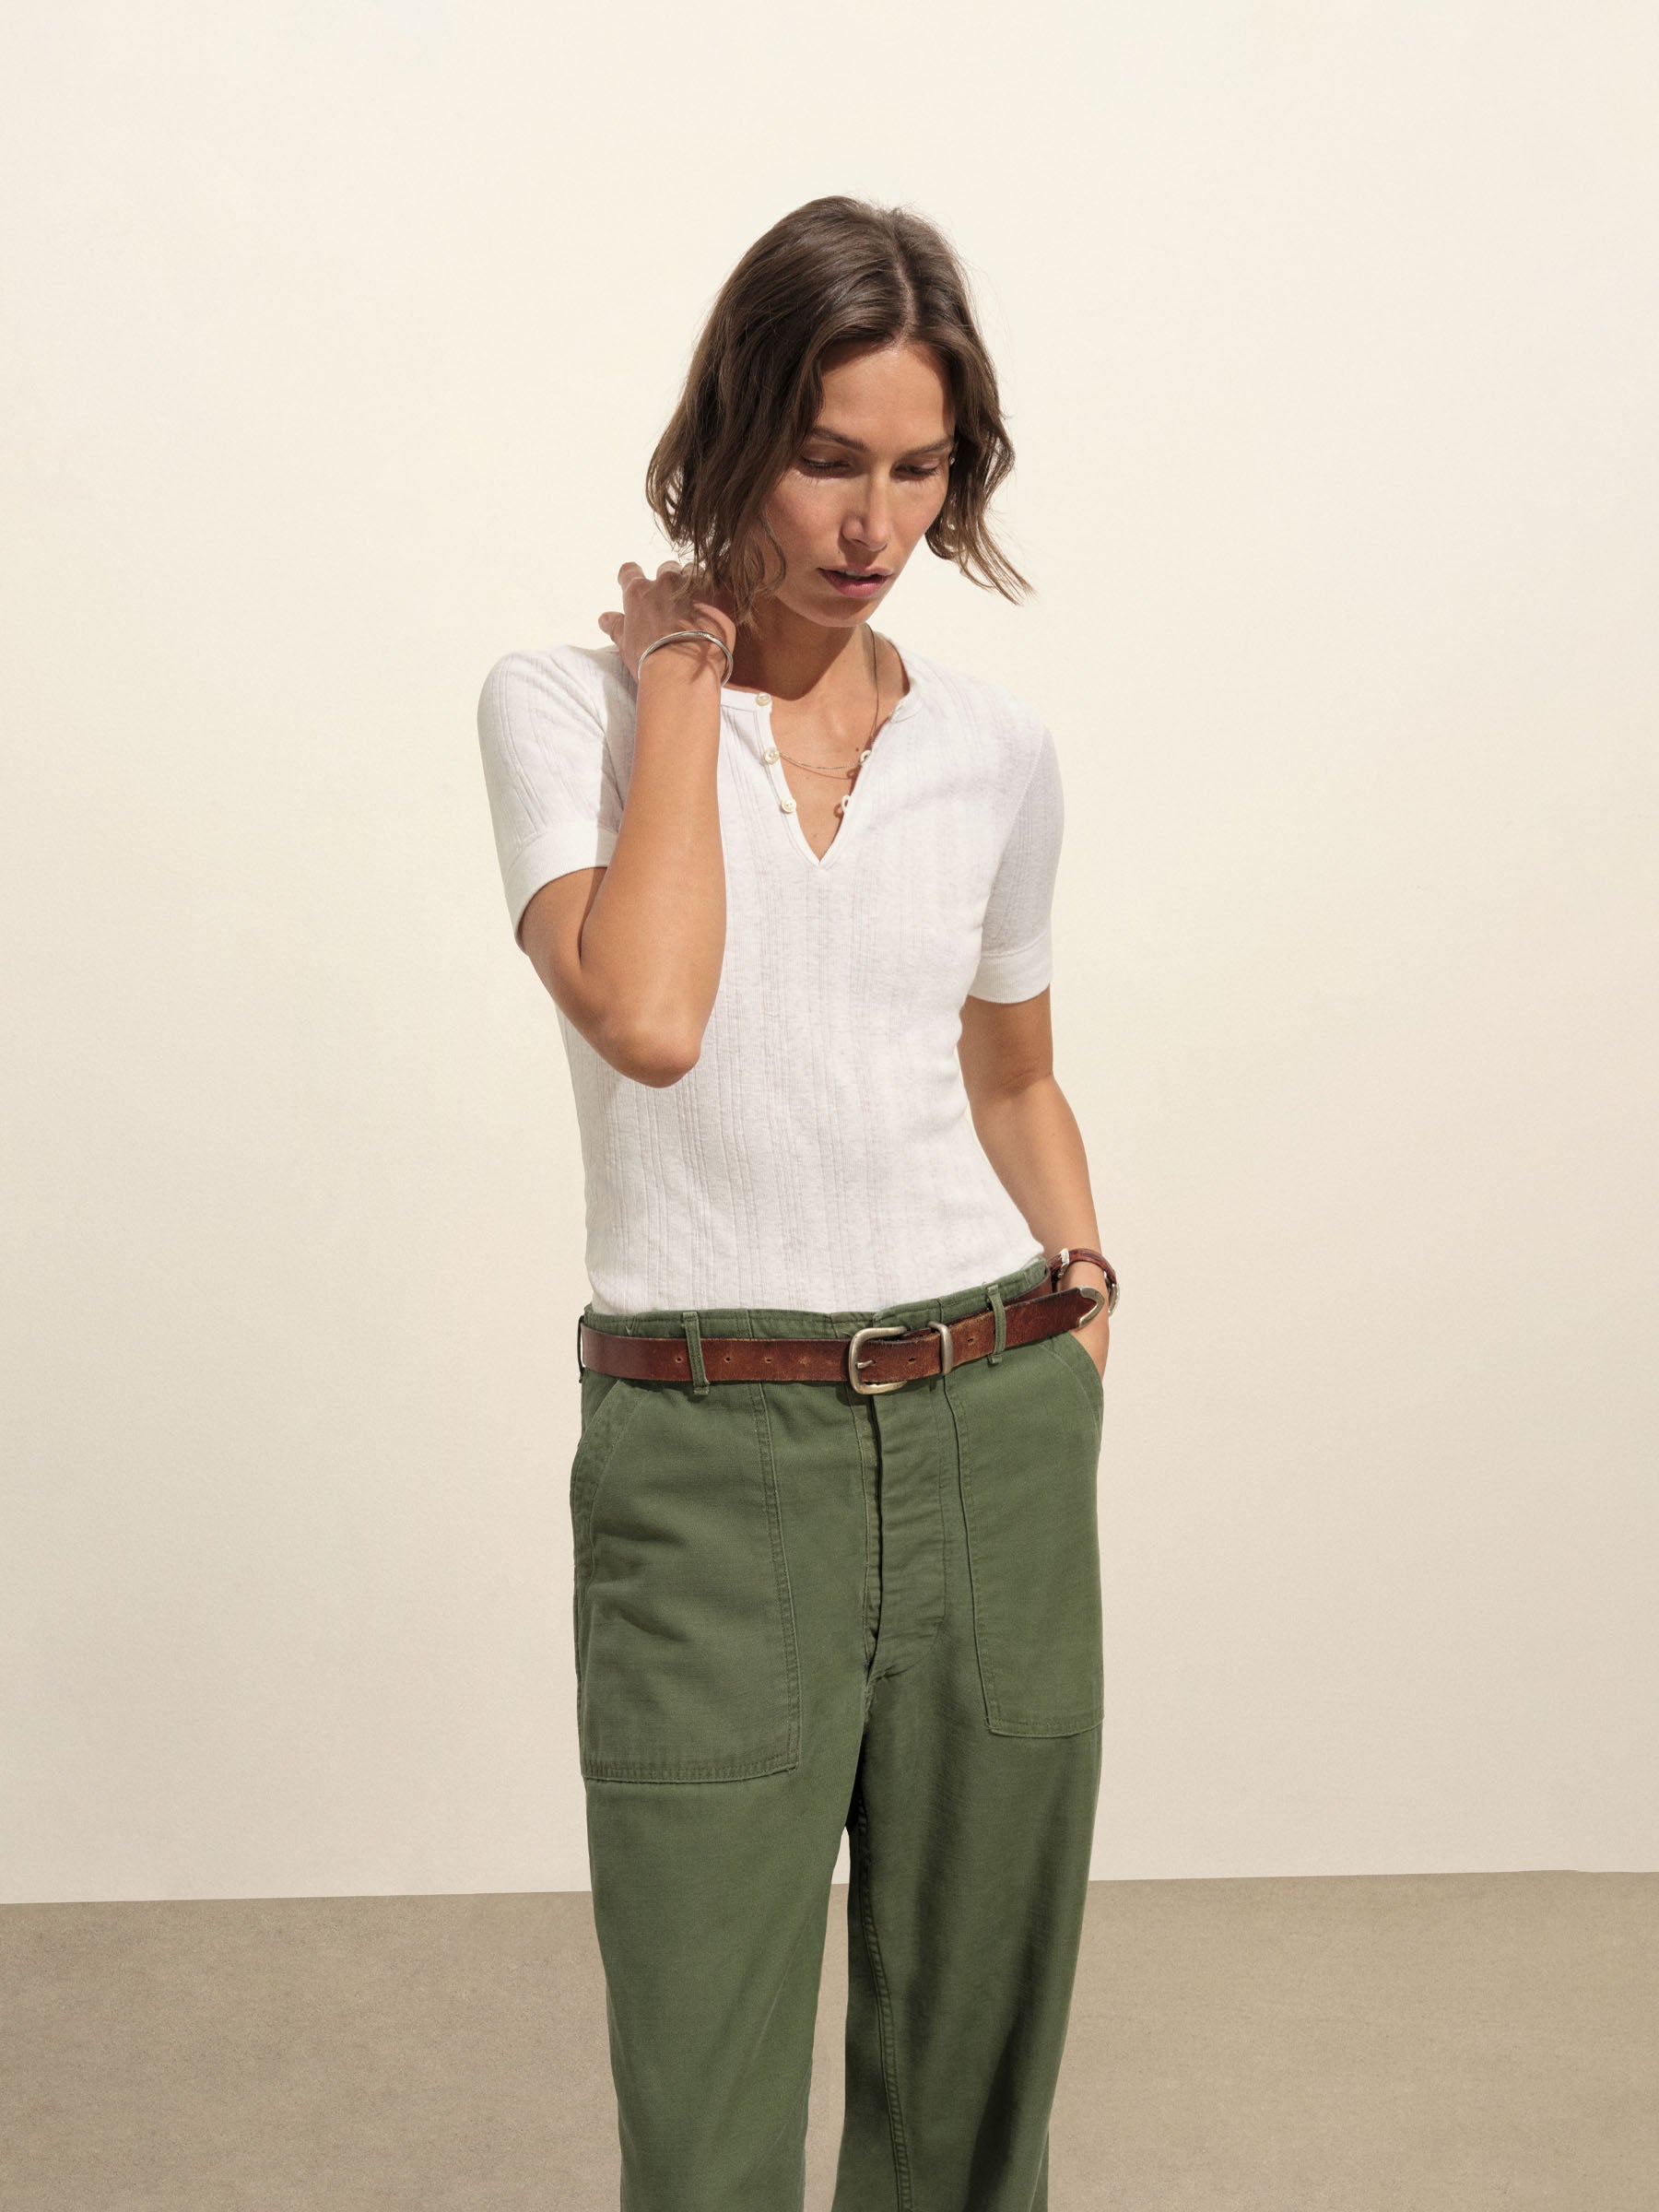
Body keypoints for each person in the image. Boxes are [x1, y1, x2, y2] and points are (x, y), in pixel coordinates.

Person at [476, 194, 1119, 2212]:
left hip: (993, 1434)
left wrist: (1086, 1306)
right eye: (829, 457)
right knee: (707, 2115)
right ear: (735, 432)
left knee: (969, 2107)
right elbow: (651, 1016)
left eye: (920, 470)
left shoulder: (996, 751)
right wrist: (682, 687)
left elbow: (1012, 1074)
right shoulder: (563, 710)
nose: (872, 523)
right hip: (707, 1453)